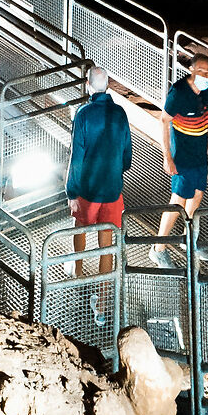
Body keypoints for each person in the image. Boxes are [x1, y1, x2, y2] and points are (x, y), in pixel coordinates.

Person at [66, 64, 133, 313]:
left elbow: (77, 156)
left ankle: (78, 272)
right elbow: (127, 153)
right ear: (108, 85)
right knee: (107, 243)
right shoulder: (120, 113)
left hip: (88, 189)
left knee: (81, 227)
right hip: (112, 188)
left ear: (88, 85)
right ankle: (103, 304)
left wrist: (72, 191)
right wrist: (116, 171)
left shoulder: (83, 114)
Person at [152, 50, 208, 266]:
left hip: (200, 157)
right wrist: (167, 156)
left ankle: (188, 238)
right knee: (177, 201)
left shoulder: (206, 90)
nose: (205, 75)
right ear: (191, 69)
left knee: (197, 196)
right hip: (182, 157)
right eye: (201, 71)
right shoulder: (179, 92)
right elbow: (164, 120)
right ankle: (158, 248)